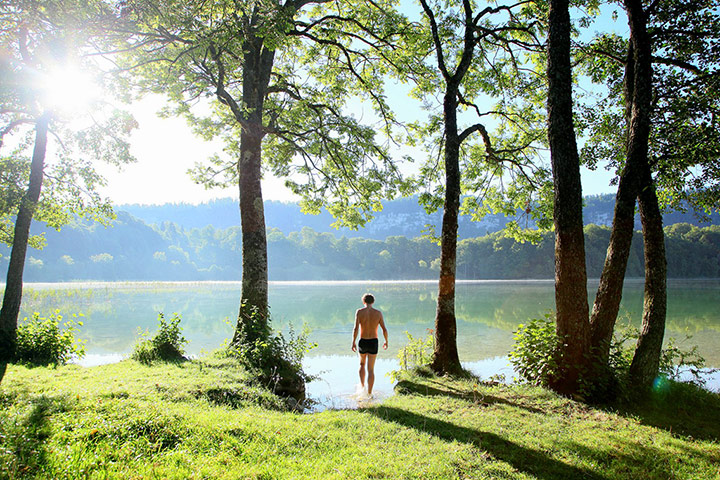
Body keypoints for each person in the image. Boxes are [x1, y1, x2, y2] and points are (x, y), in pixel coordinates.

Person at [351, 293, 388, 396]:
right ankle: (370, 393)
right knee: (371, 369)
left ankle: (362, 388)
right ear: (373, 302)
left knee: (361, 364)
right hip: (373, 342)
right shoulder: (378, 313)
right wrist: (386, 341)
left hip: (363, 341)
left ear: (363, 301)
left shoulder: (359, 312)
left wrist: (353, 342)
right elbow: (384, 329)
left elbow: (356, 329)